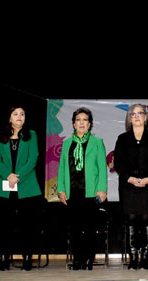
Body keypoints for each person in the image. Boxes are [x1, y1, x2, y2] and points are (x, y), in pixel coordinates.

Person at [0, 107, 42, 271]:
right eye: (15, 114)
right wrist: (8, 176)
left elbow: (33, 159)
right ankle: (4, 259)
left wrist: (16, 176)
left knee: (28, 225)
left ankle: (27, 259)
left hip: (26, 186)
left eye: (22, 114)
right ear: (9, 118)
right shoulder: (0, 135)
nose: (19, 117)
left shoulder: (31, 134)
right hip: (4, 187)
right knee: (3, 226)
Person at [113, 104, 148, 270]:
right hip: (129, 185)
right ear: (129, 118)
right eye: (132, 114)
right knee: (132, 220)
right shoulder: (122, 138)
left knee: (146, 219)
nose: (136, 116)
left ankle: (145, 257)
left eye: (139, 113)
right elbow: (118, 163)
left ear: (146, 117)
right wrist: (130, 178)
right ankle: (133, 257)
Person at [57, 107, 107, 270]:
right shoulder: (66, 144)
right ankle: (78, 260)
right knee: (75, 229)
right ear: (73, 123)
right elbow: (62, 168)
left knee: (90, 229)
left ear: (90, 124)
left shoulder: (97, 142)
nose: (81, 123)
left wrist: (102, 189)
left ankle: (88, 259)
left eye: (85, 120)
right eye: (78, 120)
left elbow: (102, 168)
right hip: (72, 192)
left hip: (90, 192)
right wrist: (61, 189)